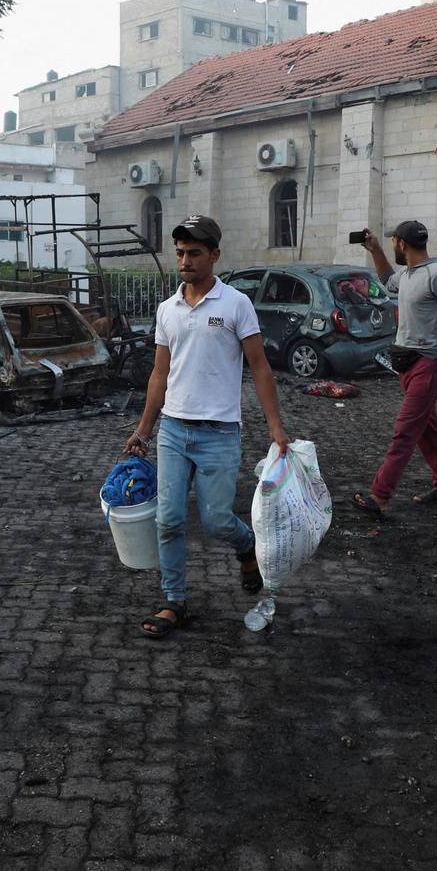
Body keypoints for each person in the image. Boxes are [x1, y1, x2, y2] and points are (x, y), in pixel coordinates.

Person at [123, 214, 291, 638]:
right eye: (179, 253)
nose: (185, 260)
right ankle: (173, 601)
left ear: (214, 255)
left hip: (219, 434)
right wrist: (144, 430)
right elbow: (160, 375)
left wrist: (276, 426)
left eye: (194, 253)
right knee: (169, 519)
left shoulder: (236, 304)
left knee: (217, 520)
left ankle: (246, 545)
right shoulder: (167, 310)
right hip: (174, 432)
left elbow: (260, 367)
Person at [350, 219, 437, 518]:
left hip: (429, 362)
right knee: (427, 429)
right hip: (407, 363)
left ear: (402, 243)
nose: (393, 245)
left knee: (406, 431)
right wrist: (375, 251)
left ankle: (379, 496)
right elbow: (386, 280)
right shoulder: (409, 275)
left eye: (392, 241)